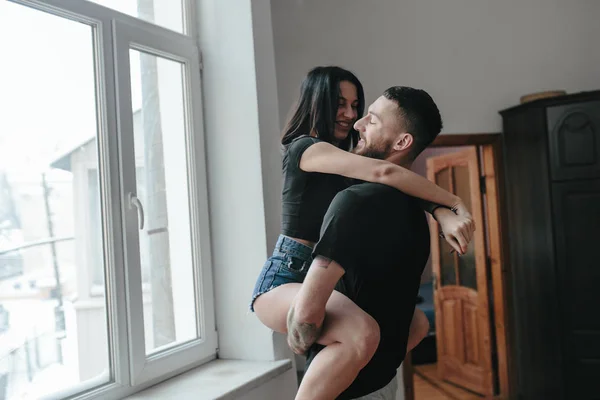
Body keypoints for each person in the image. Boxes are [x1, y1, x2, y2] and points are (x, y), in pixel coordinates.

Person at [250, 68, 474, 399]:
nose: (351, 116)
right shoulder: (306, 148)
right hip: (286, 274)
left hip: (317, 272)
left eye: (356, 105)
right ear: (318, 102)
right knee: (361, 332)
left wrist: (438, 211)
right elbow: (386, 171)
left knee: (415, 324)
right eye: (340, 104)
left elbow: (395, 180)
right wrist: (454, 202)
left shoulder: (352, 158)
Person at [287, 86, 452, 399]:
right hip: (384, 385)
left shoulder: (353, 203)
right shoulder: (415, 211)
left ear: (402, 142)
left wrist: (303, 337)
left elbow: (306, 315)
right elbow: (410, 323)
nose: (357, 124)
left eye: (372, 121)